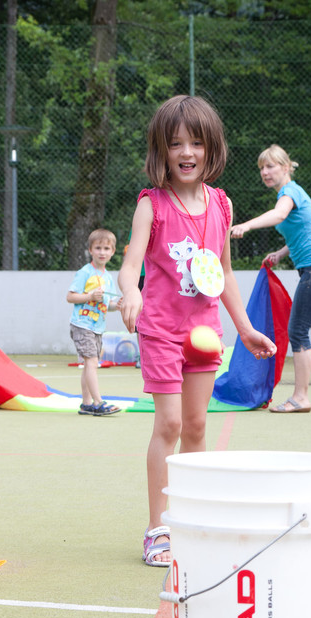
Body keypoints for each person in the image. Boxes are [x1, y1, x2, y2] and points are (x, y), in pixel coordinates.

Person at [118, 95, 276, 567]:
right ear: (161, 151)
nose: (186, 152)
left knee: (197, 425)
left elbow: (223, 273)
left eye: (196, 143)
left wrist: (245, 328)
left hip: (203, 333)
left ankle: (192, 519)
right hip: (161, 331)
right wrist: (131, 293)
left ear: (212, 148)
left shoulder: (222, 205)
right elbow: (130, 264)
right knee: (168, 424)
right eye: (175, 143)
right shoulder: (152, 205)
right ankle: (158, 528)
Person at [231, 144, 311, 413]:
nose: (265, 172)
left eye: (270, 166)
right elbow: (303, 232)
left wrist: (247, 225)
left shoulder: (289, 192)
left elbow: (280, 215)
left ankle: (300, 398)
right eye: (261, 168)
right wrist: (280, 253)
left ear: (286, 167)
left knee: (297, 330)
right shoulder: (291, 193)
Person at [67, 228, 123, 416]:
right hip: (82, 325)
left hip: (97, 328)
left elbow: (108, 305)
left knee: (89, 364)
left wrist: (118, 305)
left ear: (112, 251)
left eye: (106, 248)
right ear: (90, 250)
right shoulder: (84, 272)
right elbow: (70, 297)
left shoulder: (108, 278)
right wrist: (90, 296)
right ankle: (98, 402)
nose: (102, 252)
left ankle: (86, 404)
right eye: (98, 248)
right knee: (91, 362)